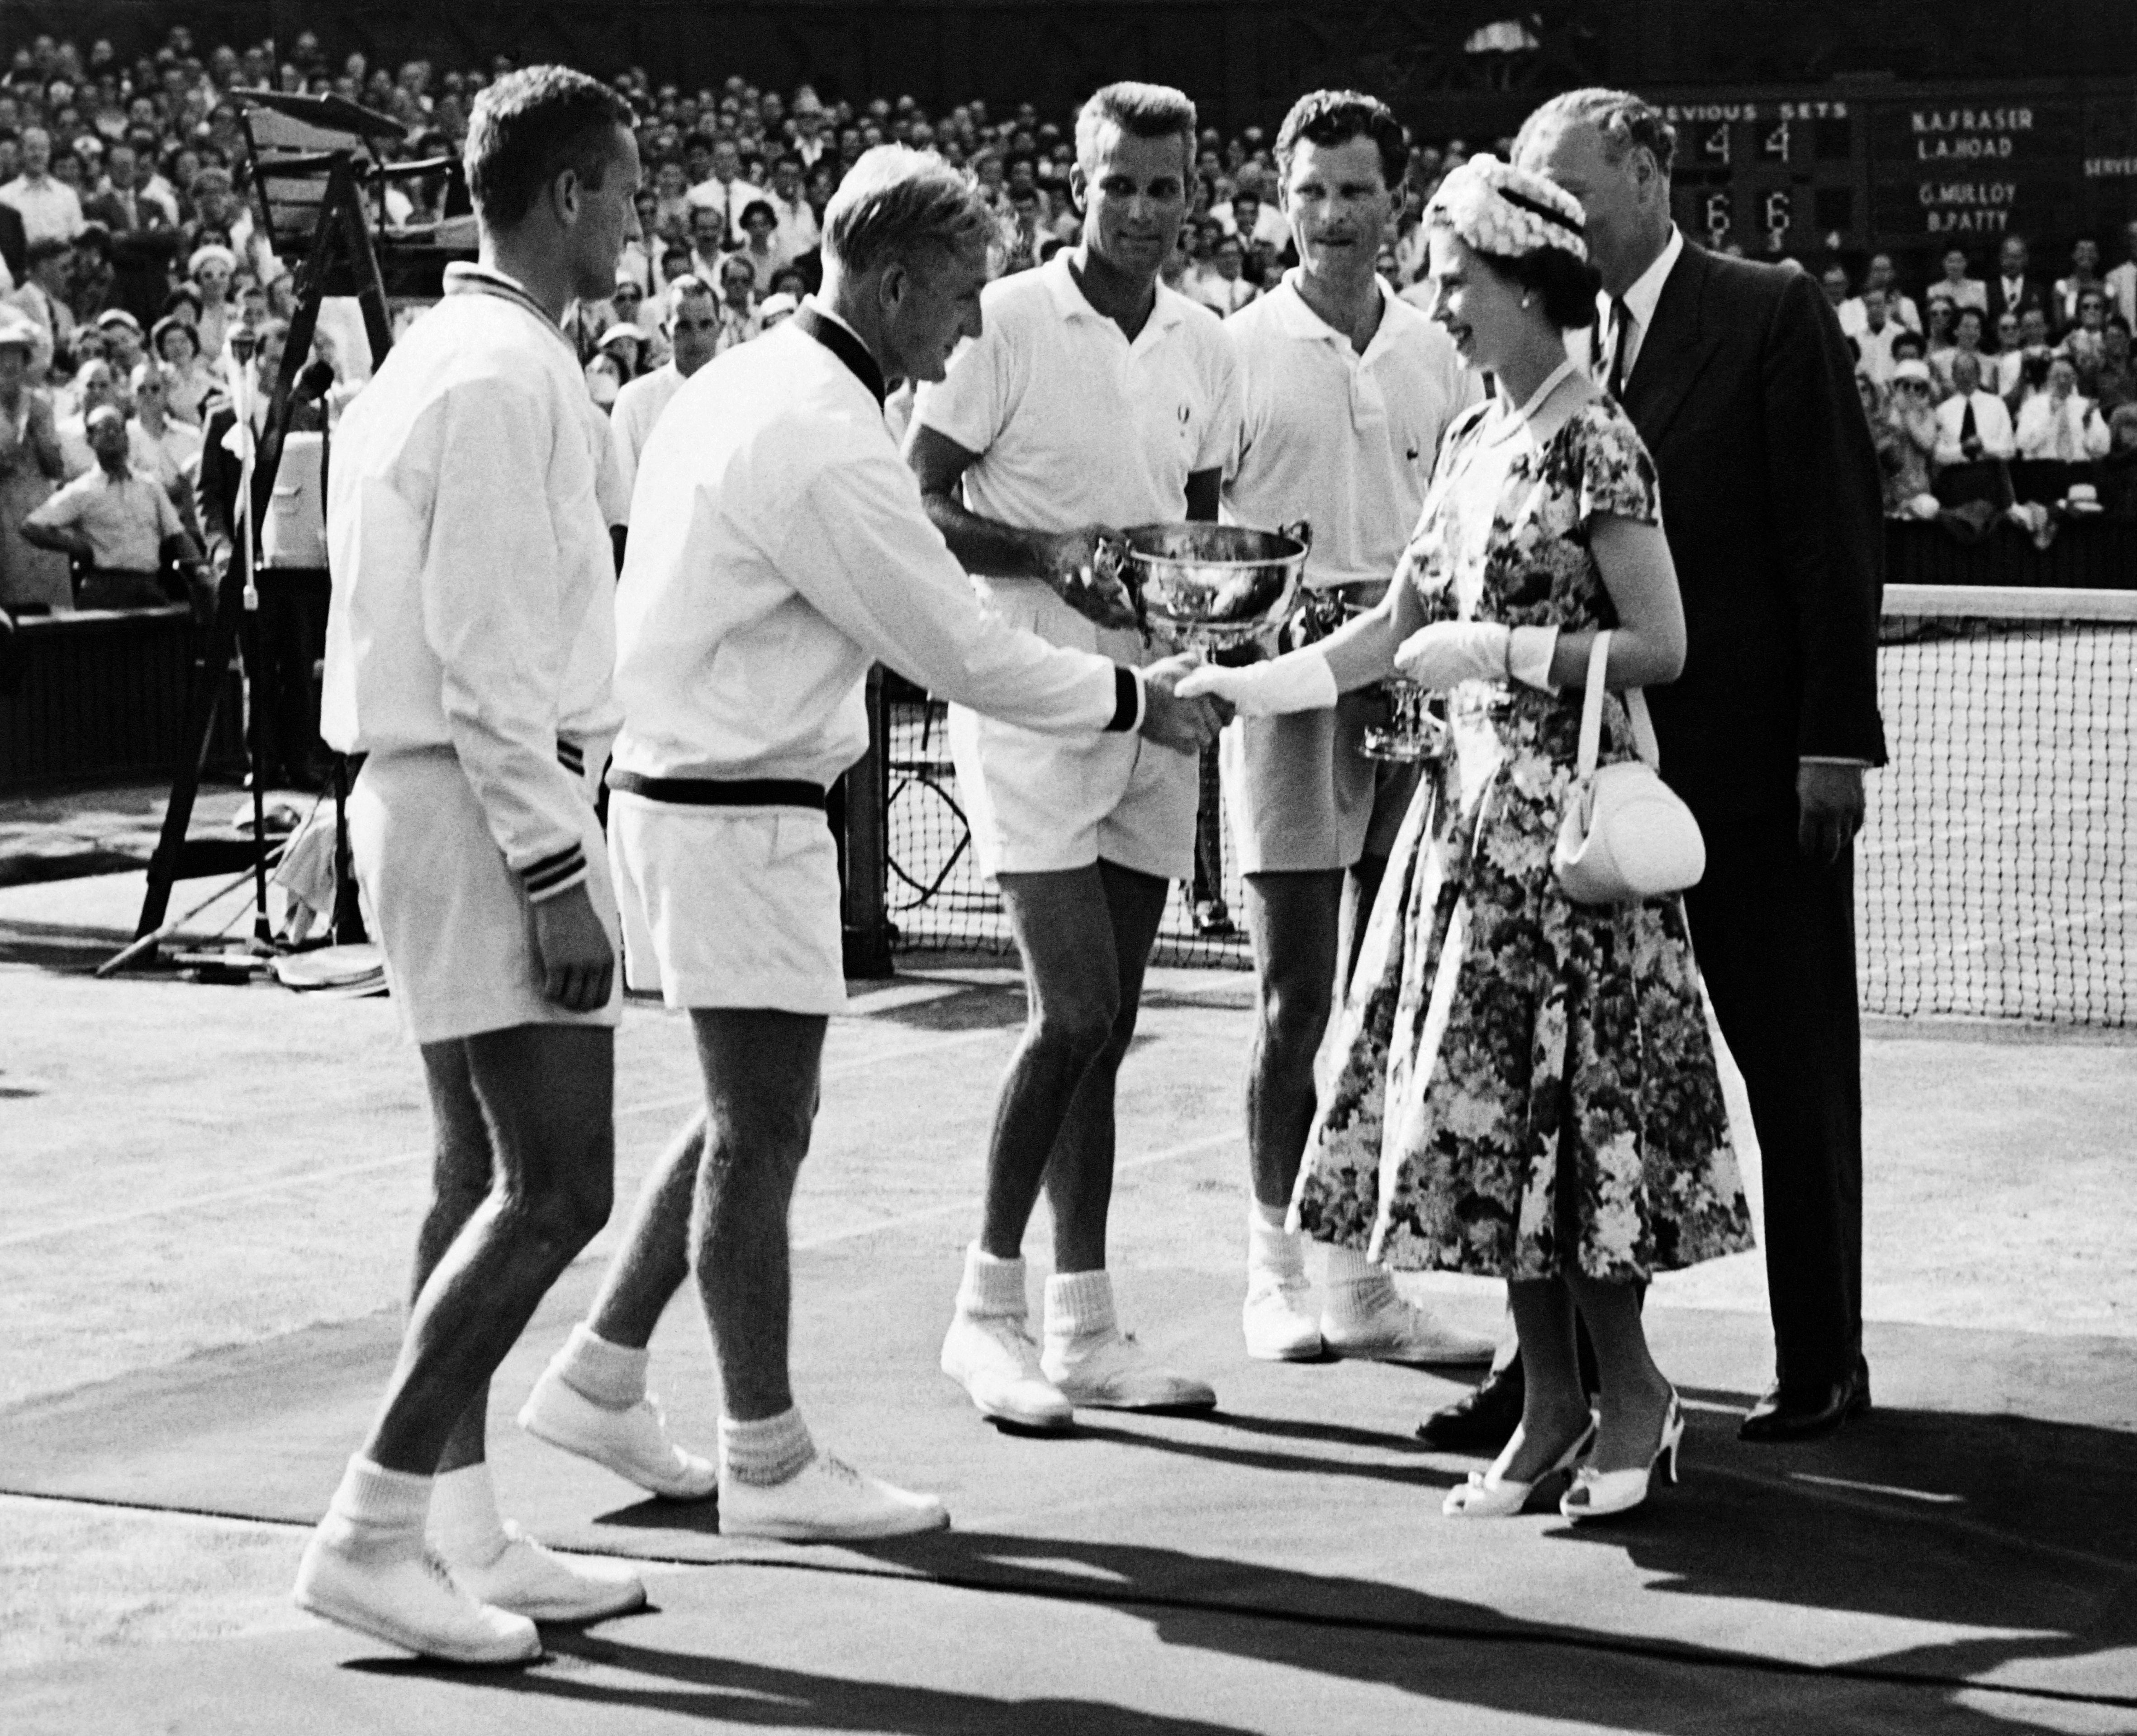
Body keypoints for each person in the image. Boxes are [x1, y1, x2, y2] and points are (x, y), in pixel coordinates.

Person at [517, 144, 1217, 1533]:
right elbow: (955, 648)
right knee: (762, 1132)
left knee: (743, 1116)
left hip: (704, 795)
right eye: (955, 298)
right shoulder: (826, 435)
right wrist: (1137, 695)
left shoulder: (756, 383)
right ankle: (767, 1459)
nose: (968, 326)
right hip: (731, 806)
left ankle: (599, 1373)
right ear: (890, 285)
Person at [1179, 154, 1752, 1521]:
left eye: (1457, 274)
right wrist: (1239, 685)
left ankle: (1631, 1395)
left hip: (1565, 847)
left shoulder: (1592, 437)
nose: (1436, 293)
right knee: (1494, 1129)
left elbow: (1659, 644)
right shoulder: (1468, 436)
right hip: (1465, 842)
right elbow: (1385, 631)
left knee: (1579, 1125)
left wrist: (1495, 645)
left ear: (1521, 286)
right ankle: (1549, 1396)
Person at [290, 65, 652, 1667]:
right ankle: (371, 1529)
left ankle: (457, 1516)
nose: (639, 222)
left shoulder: (461, 351)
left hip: (437, 792)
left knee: (475, 1178)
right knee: (558, 1184)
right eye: (627, 193)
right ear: (569, 197)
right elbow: (494, 654)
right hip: (483, 800)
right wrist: (555, 866)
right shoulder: (505, 374)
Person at [1514, 89, 1885, 1445]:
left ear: (1648, 177)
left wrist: (1830, 743)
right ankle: (1552, 1378)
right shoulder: (1533, 345)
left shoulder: (1764, 308)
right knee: (1562, 1089)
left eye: (1569, 184)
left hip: (1745, 779)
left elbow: (1831, 544)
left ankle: (1820, 1360)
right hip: (1578, 792)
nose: (1551, 212)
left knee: (1790, 1075)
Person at [907, 81, 1241, 1433]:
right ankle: (980, 1317)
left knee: (1105, 1039)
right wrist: (1044, 551)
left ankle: (1080, 1325)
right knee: (1071, 1017)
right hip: (1029, 703)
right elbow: (919, 497)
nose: (1142, 210)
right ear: (1075, 182)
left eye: (1164, 187)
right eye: (1118, 186)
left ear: (1191, 191)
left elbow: (1206, 536)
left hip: (1154, 709)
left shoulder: (1204, 342)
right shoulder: (997, 323)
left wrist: (1208, 632)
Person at [1216, 89, 1491, 1368]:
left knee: (1398, 997)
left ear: (1396, 199)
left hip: (1410, 686)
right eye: (1312, 191)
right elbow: (1193, 528)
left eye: (1357, 191)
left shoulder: (1439, 350)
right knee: (1293, 1000)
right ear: (1282, 200)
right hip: (1285, 685)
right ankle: (1273, 1269)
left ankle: (1364, 1273)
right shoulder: (1230, 348)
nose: (1334, 216)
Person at [22, 401, 200, 609]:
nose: (113, 435)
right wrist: (78, 548)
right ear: (90, 440)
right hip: (104, 589)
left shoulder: (150, 486)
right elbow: (31, 526)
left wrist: (201, 571)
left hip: (149, 587)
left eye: (119, 429)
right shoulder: (82, 490)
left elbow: (178, 535)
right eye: (104, 430)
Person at [606, 273, 720, 514]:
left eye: (706, 325)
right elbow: (622, 498)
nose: (697, 339)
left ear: (720, 328)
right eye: (684, 327)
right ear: (665, 331)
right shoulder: (635, 401)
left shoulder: (742, 396)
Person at [0, 314, 71, 612]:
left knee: (46, 603)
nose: (9, 365)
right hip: (2, 509)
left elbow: (55, 467)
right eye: (3, 359)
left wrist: (37, 429)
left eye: (16, 359)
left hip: (36, 504)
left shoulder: (40, 404)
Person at [2015, 354, 2109, 462]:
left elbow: (2103, 449)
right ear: (2049, 377)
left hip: (2079, 467)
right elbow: (2024, 443)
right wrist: (2049, 415)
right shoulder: (2032, 405)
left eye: (2067, 376)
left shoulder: (2086, 406)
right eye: (2057, 376)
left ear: (2075, 379)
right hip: (2043, 468)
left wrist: (2088, 426)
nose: (2062, 381)